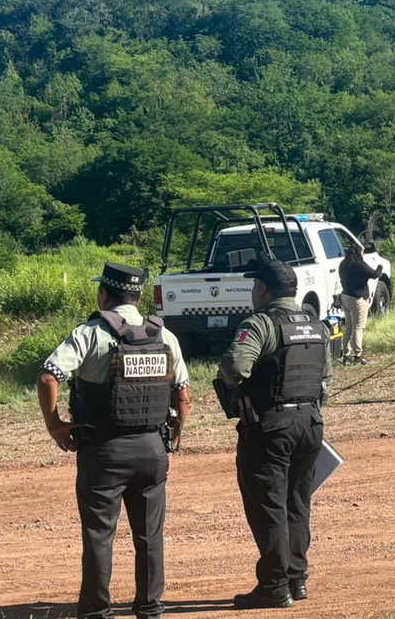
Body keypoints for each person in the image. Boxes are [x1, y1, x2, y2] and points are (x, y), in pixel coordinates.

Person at [37, 262, 191, 619]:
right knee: (149, 535)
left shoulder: (90, 333)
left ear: (103, 295)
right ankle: (150, 607)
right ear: (138, 297)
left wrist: (55, 424)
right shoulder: (165, 336)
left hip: (103, 451)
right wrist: (173, 436)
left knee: (98, 536)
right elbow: (182, 395)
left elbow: (49, 377)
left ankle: (96, 611)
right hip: (153, 447)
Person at [217, 259, 331, 609]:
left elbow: (235, 368)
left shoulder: (260, 324)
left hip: (270, 426)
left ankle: (273, 585)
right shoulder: (316, 324)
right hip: (310, 423)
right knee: (298, 503)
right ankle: (296, 579)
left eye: (255, 287)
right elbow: (325, 378)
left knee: (268, 505)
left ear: (263, 290)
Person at [338, 244, 384, 365]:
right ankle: (358, 355)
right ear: (358, 253)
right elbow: (375, 274)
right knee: (358, 327)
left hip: (345, 297)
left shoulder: (343, 264)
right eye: (362, 252)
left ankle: (346, 355)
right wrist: (380, 267)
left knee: (348, 326)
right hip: (357, 299)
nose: (363, 254)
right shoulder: (359, 264)